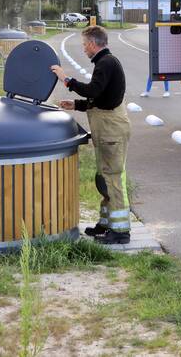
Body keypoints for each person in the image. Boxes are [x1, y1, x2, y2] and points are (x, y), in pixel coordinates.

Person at [50, 25, 131, 244]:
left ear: (94, 44)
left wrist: (66, 80)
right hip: (107, 128)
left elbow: (94, 91)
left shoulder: (106, 63)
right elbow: (102, 98)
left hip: (111, 130)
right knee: (104, 176)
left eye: (85, 44)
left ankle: (120, 231)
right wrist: (76, 104)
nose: (84, 49)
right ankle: (106, 224)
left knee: (112, 177)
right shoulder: (105, 62)